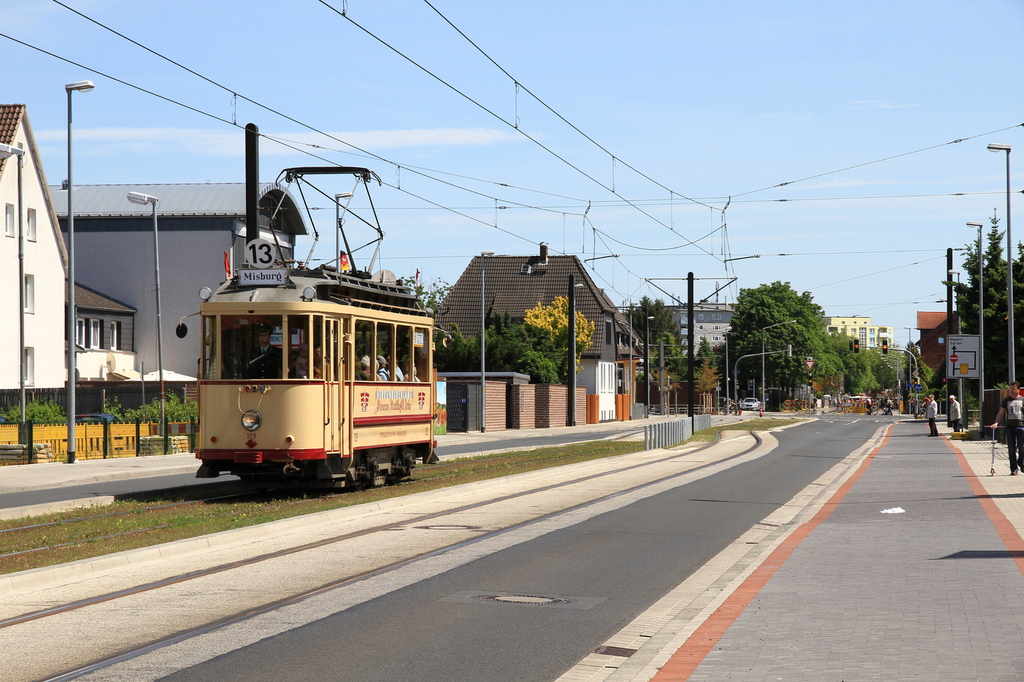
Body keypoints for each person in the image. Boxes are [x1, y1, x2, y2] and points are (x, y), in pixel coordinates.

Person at [991, 382, 1024, 475]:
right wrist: (996, 422)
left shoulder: (1022, 400)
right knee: (1011, 449)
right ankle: (1014, 469)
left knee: (1022, 447)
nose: (1012, 391)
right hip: (1010, 427)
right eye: (1011, 389)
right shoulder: (1006, 400)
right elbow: (1001, 413)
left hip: (1021, 426)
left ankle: (1021, 463)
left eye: (1014, 389)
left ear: (1018, 390)